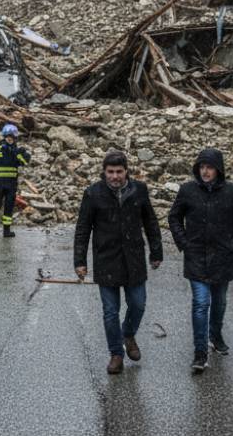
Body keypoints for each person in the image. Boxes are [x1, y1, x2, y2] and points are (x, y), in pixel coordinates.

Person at [74, 151, 163, 375]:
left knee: (138, 304)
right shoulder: (93, 193)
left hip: (134, 260)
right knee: (110, 312)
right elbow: (83, 229)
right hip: (106, 260)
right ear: (104, 172)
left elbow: (150, 222)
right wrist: (80, 261)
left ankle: (128, 333)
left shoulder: (138, 190)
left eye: (119, 172)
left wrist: (156, 251)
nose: (115, 176)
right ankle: (116, 354)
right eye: (111, 172)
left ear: (126, 172)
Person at [167, 148, 233, 374]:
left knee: (220, 302)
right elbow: (174, 217)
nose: (205, 171)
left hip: (222, 257)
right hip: (195, 256)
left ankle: (215, 334)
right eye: (202, 167)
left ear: (218, 169)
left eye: (210, 167)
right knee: (200, 304)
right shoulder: (187, 190)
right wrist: (184, 243)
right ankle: (200, 352)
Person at [0, 123, 30, 238]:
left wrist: (19, 153)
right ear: (4, 137)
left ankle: (6, 231)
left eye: (12, 137)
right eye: (8, 137)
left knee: (9, 206)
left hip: (11, 183)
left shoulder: (18, 150)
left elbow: (24, 163)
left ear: (15, 138)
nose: (10, 139)